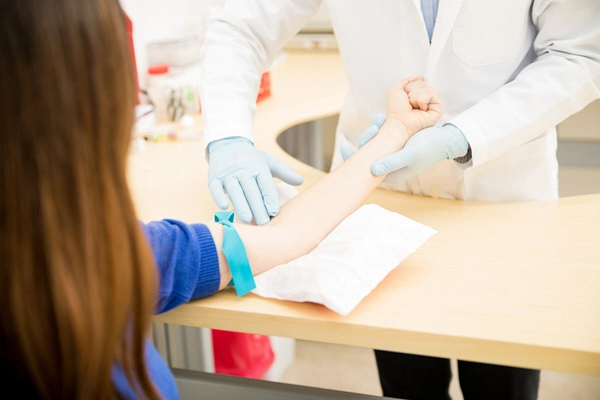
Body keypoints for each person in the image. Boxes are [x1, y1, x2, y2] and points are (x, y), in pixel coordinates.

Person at [0, 0, 440, 398]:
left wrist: (393, 132)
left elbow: (287, 234)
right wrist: (393, 133)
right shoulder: (114, 257)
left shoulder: (122, 254)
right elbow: (286, 235)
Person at [199, 1, 600, 398]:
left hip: (499, 189)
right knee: (406, 377)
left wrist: (463, 135)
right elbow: (240, 26)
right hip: (383, 191)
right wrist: (228, 135)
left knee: (501, 379)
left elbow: (578, 52)